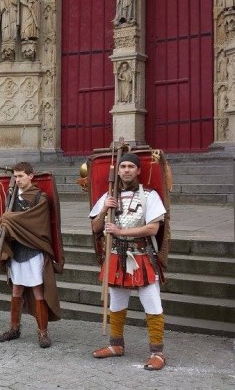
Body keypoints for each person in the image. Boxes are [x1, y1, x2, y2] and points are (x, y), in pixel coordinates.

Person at [89, 153, 168, 371]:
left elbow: (153, 228)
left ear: (138, 170)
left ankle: (157, 353)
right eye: (122, 166)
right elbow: (95, 228)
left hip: (142, 257)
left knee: (152, 304)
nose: (126, 170)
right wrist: (105, 208)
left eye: (130, 166)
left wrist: (121, 230)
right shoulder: (108, 196)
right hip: (115, 256)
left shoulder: (149, 196)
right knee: (116, 304)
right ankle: (116, 345)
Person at [0, 162, 61, 348]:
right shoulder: (12, 196)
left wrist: (9, 219)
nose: (17, 180)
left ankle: (42, 332)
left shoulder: (41, 197)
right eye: (15, 176)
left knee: (38, 290)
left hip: (33, 249)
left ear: (31, 176)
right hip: (17, 251)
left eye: (21, 176)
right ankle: (14, 328)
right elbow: (6, 220)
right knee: (16, 290)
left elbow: (34, 221)